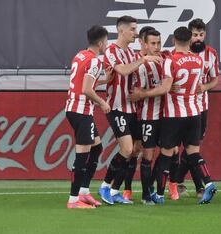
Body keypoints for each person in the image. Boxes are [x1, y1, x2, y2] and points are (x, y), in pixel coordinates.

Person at [130, 26, 216, 204]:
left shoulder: (171, 60)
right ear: (190, 40)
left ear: (173, 40)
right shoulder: (199, 61)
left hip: (174, 115)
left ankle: (159, 194)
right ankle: (208, 183)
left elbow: (165, 88)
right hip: (195, 113)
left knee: (166, 154)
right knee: (193, 153)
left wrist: (142, 94)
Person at [98, 15, 162, 205]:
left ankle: (116, 190)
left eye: (136, 29)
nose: (135, 33)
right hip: (116, 107)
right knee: (126, 148)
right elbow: (123, 71)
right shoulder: (111, 50)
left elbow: (137, 76)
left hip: (132, 108)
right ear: (121, 31)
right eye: (133, 29)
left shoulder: (133, 54)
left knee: (136, 149)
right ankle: (105, 186)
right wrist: (144, 59)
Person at [65, 25, 111, 209]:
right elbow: (86, 89)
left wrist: (104, 80)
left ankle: (83, 192)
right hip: (81, 111)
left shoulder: (80, 55)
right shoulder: (95, 61)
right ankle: (73, 199)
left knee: (97, 148)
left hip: (74, 109)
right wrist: (102, 102)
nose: (106, 44)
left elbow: (81, 81)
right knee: (82, 157)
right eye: (106, 41)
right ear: (100, 43)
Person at [173, 18, 220, 198]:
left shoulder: (211, 54)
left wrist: (205, 87)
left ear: (205, 34)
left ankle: (180, 180)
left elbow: (215, 79)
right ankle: (197, 185)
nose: (198, 38)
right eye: (194, 35)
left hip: (200, 107)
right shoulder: (176, 54)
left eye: (201, 34)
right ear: (189, 35)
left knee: (193, 147)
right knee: (180, 148)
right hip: (178, 107)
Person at [121, 25, 156, 201]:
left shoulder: (161, 58)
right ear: (142, 42)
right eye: (151, 42)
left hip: (155, 112)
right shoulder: (135, 59)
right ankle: (126, 189)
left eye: (157, 42)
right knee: (134, 150)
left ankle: (160, 189)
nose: (155, 46)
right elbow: (131, 88)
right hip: (137, 112)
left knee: (164, 150)